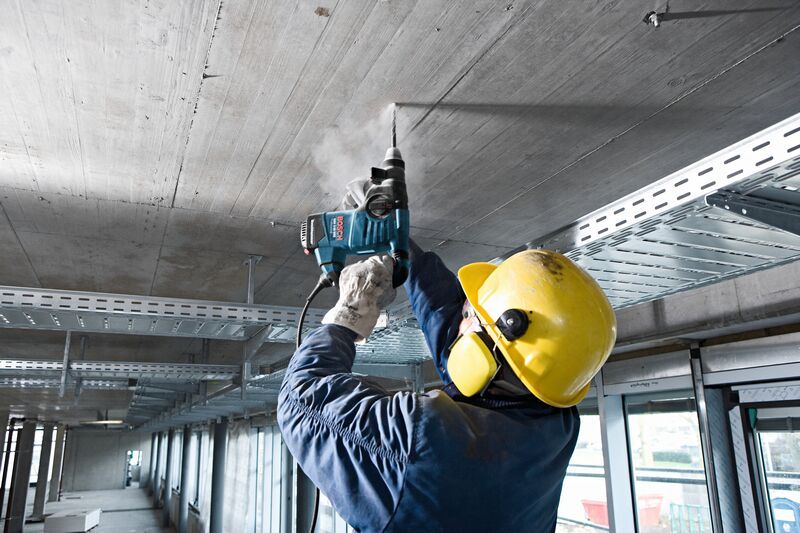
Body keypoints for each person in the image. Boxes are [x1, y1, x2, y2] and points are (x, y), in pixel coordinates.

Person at [277, 239, 616, 532]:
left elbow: (301, 395)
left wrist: (350, 313)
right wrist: (405, 250)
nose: (461, 319)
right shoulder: (554, 421)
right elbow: (471, 357)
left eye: (470, 313)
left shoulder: (418, 439)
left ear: (488, 351)